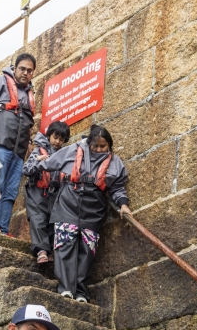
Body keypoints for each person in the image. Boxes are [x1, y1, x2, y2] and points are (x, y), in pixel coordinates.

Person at [35, 124, 132, 303]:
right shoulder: (74, 150)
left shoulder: (115, 163)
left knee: (87, 248)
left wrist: (123, 205)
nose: (99, 149)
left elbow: (117, 188)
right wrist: (38, 162)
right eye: (96, 145)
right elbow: (50, 162)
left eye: (103, 146)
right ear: (89, 143)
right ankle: (66, 288)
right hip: (69, 200)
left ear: (109, 145)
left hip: (94, 207)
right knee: (65, 242)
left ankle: (80, 291)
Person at [0, 53, 37, 235]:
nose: (25, 73)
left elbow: (26, 120)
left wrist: (29, 144)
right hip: (0, 144)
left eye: (29, 71)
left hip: (18, 151)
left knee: (11, 191)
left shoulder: (29, 93)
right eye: (22, 69)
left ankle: (3, 228)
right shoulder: (0, 81)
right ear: (15, 68)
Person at [23, 121, 71, 263]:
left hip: (54, 193)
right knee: (38, 219)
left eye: (61, 139)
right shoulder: (38, 151)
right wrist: (38, 162)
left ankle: (50, 251)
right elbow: (26, 169)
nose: (57, 142)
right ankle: (41, 251)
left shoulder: (64, 155)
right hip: (37, 192)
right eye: (55, 137)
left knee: (53, 221)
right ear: (49, 135)